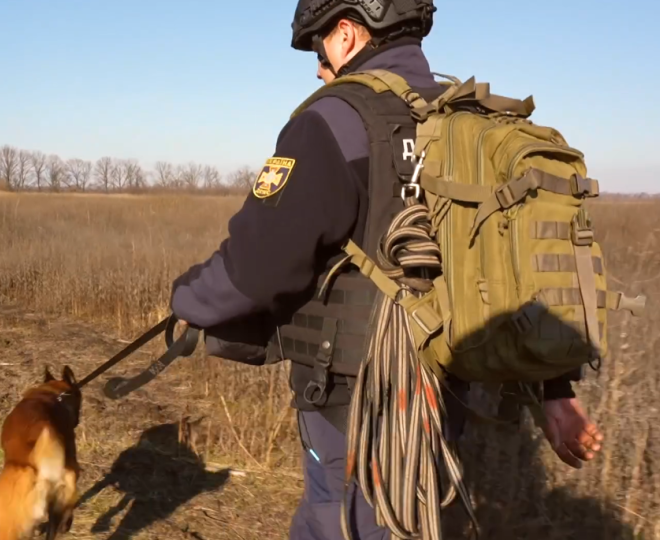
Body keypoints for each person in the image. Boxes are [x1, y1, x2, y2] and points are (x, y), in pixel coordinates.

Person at [167, 1, 605, 539]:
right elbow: (514, 268)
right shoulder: (462, 121)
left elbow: (256, 266)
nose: (318, 66)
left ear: (347, 34)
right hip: (448, 390)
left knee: (343, 522)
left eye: (318, 46)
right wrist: (555, 389)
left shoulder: (332, 119)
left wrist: (186, 298)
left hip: (357, 397)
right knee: (414, 517)